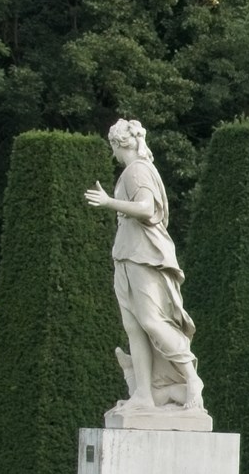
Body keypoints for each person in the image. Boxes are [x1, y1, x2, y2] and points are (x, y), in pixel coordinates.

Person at [84, 119, 205, 415]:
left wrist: (109, 202)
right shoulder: (134, 170)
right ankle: (143, 394)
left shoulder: (136, 169)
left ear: (116, 144)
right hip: (128, 254)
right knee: (134, 326)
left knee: (152, 321)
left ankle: (192, 381)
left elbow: (146, 208)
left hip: (145, 254)